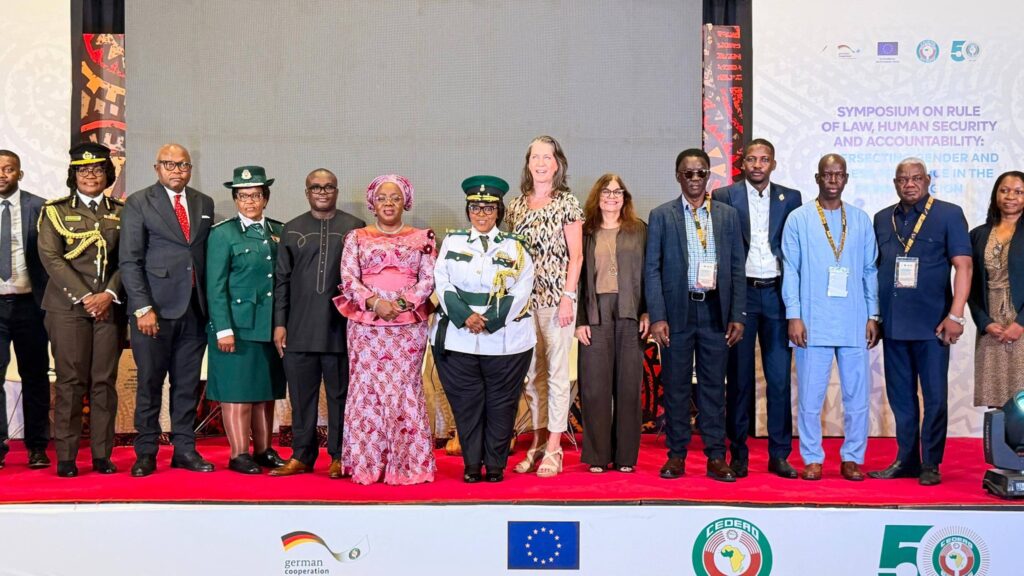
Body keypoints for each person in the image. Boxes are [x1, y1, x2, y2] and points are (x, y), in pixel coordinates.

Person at [870, 157, 972, 486]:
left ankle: (931, 462)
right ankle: (906, 459)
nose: (909, 184)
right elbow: (874, 271)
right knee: (901, 398)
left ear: (927, 180)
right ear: (895, 183)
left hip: (934, 326)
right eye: (903, 179)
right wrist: (875, 317)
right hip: (894, 324)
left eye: (916, 178)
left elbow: (964, 266)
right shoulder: (883, 219)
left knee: (935, 397)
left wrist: (955, 315)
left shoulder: (948, 214)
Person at [645, 148, 746, 482]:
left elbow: (736, 268)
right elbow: (652, 269)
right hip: (677, 313)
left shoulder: (728, 216)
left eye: (700, 172)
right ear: (678, 176)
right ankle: (676, 456)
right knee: (675, 387)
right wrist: (658, 316)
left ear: (708, 176)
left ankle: (716, 456)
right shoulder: (661, 215)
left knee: (714, 387)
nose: (694, 179)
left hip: (716, 310)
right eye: (688, 173)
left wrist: (738, 314)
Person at [782, 153, 880, 482]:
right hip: (812, 321)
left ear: (847, 179)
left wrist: (873, 314)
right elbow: (791, 271)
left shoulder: (861, 220)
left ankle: (852, 457)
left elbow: (869, 271)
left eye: (839, 175)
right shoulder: (799, 219)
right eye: (827, 174)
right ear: (817, 178)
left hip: (854, 320)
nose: (833, 180)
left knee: (857, 396)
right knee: (810, 396)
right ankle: (812, 458)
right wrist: (794, 315)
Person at [120, 143, 216, 476]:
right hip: (154, 312)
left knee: (187, 384)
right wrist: (142, 307)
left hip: (194, 309)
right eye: (169, 164)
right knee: (149, 382)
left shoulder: (204, 203)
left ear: (190, 168)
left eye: (183, 165)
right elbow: (130, 260)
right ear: (157, 167)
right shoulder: (138, 202)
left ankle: (185, 449)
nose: (176, 170)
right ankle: (145, 451)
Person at [334, 174, 436, 485]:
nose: (388, 203)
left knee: (404, 388)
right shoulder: (357, 237)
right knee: (367, 391)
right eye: (382, 198)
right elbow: (349, 278)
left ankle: (408, 465)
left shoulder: (423, 237)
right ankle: (368, 464)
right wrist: (375, 302)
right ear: (372, 203)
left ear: (406, 200)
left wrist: (403, 303)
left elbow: (430, 279)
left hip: (407, 326)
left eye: (394, 197)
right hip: (366, 324)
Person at [431, 175, 535, 483]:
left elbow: (523, 287)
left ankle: (495, 465)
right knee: (467, 404)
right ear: (468, 210)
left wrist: (490, 318)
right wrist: (465, 316)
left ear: (498, 211)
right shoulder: (452, 242)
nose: (481, 214)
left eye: (488, 209)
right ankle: (472, 465)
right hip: (459, 338)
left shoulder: (515, 247)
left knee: (501, 405)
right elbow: (442, 281)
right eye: (475, 208)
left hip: (505, 340)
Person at [712, 138, 802, 479]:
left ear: (773, 164)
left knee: (779, 379)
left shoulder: (790, 198)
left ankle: (779, 455)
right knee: (739, 379)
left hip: (778, 295)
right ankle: (738, 453)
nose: (758, 165)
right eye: (752, 159)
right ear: (742, 163)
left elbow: (794, 250)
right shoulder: (725, 197)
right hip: (742, 296)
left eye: (764, 159)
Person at [37, 142, 125, 477]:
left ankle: (102, 454)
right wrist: (86, 296)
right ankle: (67, 457)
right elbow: (51, 258)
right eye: (83, 170)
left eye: (98, 169)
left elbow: (127, 260)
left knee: (104, 381)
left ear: (108, 175)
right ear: (73, 175)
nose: (90, 175)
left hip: (109, 306)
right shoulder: (55, 211)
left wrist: (108, 294)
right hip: (67, 308)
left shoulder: (122, 212)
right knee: (70, 382)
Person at [270, 169, 365, 478]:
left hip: (340, 331)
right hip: (298, 329)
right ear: (306, 191)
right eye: (316, 187)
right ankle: (301, 455)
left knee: (340, 397)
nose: (322, 192)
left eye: (328, 187)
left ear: (336, 190)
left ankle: (340, 455)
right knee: (301, 397)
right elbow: (281, 281)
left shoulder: (354, 228)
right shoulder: (292, 229)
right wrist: (279, 323)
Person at [505, 135, 583, 478]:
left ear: (557, 163)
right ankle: (536, 443)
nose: (540, 163)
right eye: (534, 156)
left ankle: (554, 447)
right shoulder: (516, 206)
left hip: (557, 302)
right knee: (532, 377)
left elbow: (576, 256)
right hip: (524, 304)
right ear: (528, 163)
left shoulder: (567, 203)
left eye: (546, 157)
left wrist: (569, 296)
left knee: (557, 376)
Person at [205, 166, 287, 474]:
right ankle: (239, 453)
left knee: (264, 393)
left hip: (268, 327)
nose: (249, 202)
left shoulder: (278, 231)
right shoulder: (223, 234)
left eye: (254, 195)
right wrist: (223, 328)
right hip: (236, 328)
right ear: (235, 200)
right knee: (237, 394)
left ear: (265, 197)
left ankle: (264, 450)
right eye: (242, 196)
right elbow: (215, 286)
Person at [576, 173, 649, 473]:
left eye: (618, 191)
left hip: (631, 313)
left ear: (625, 197)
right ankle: (597, 456)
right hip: (595, 314)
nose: (612, 196)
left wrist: (649, 313)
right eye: (606, 191)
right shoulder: (584, 232)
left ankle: (625, 458)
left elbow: (650, 275)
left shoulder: (639, 230)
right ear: (597, 196)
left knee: (629, 387)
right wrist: (580, 320)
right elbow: (576, 281)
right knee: (594, 388)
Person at [0, 150, 51, 470]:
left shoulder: (40, 207)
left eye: (9, 169)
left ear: (19, 173)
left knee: (35, 376)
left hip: (30, 304)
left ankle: (36, 446)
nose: (2, 174)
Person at [968, 171, 1024, 408]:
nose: (1010, 196)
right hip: (991, 324)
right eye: (1004, 190)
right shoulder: (978, 235)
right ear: (995, 195)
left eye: (1018, 192)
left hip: (1020, 321)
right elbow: (970, 287)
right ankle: (1001, 446)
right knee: (997, 395)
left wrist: (1020, 323)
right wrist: (984, 322)